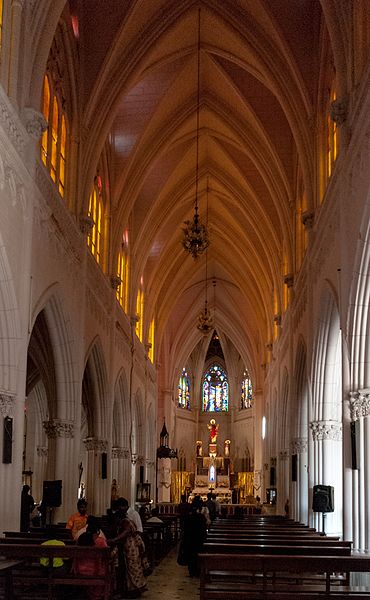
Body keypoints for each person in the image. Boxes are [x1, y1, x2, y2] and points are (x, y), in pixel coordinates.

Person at [108, 497, 147, 598]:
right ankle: (130, 589)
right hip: (128, 547)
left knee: (133, 568)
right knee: (129, 569)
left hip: (132, 547)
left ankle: (136, 589)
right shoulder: (124, 519)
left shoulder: (128, 520)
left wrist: (114, 540)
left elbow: (128, 532)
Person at [74, 518, 109, 600]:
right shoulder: (100, 541)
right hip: (95, 571)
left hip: (80, 570)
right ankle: (97, 595)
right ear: (97, 531)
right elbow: (107, 556)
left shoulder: (80, 539)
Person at [182, 495, 207, 577]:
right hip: (199, 539)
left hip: (190, 539)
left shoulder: (188, 517)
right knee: (198, 554)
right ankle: (197, 570)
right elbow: (204, 528)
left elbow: (185, 528)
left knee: (191, 554)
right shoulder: (201, 517)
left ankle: (191, 570)